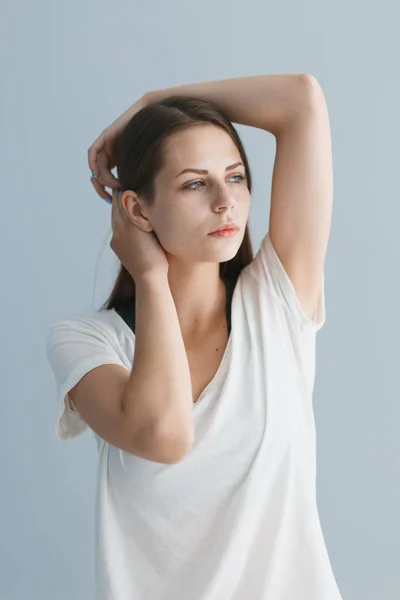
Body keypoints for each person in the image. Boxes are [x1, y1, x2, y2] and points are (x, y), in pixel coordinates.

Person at [46, 74, 342, 599]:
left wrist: (157, 100)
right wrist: (151, 278)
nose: (227, 202)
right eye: (195, 183)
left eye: (235, 176)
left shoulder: (276, 300)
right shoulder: (88, 343)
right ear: (137, 211)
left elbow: (302, 100)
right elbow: (166, 435)